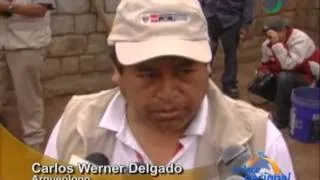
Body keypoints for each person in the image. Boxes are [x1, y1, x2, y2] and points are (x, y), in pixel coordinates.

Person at [45, 0, 295, 179]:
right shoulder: (75, 129)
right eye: (148, 73)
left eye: (185, 71)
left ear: (207, 66)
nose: (167, 92)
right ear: (117, 72)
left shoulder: (259, 139)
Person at [0, 0, 54, 151]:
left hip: (27, 44)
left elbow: (41, 9)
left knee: (28, 98)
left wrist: (8, 7)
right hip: (2, 41)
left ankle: (33, 146)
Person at [257, 17, 320, 129]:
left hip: (307, 77)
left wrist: (276, 44)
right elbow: (265, 63)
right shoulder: (267, 44)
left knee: (284, 77)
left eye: (271, 33)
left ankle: (282, 119)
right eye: (267, 34)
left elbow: (289, 65)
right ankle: (285, 102)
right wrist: (263, 71)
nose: (268, 37)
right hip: (286, 75)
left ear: (283, 31)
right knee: (261, 82)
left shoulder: (300, 40)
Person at [199, 0, 255, 99]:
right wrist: (200, 11)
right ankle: (203, 80)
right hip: (210, 16)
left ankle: (229, 84)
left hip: (232, 18)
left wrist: (246, 24)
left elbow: (248, 3)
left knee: (231, 53)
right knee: (206, 51)